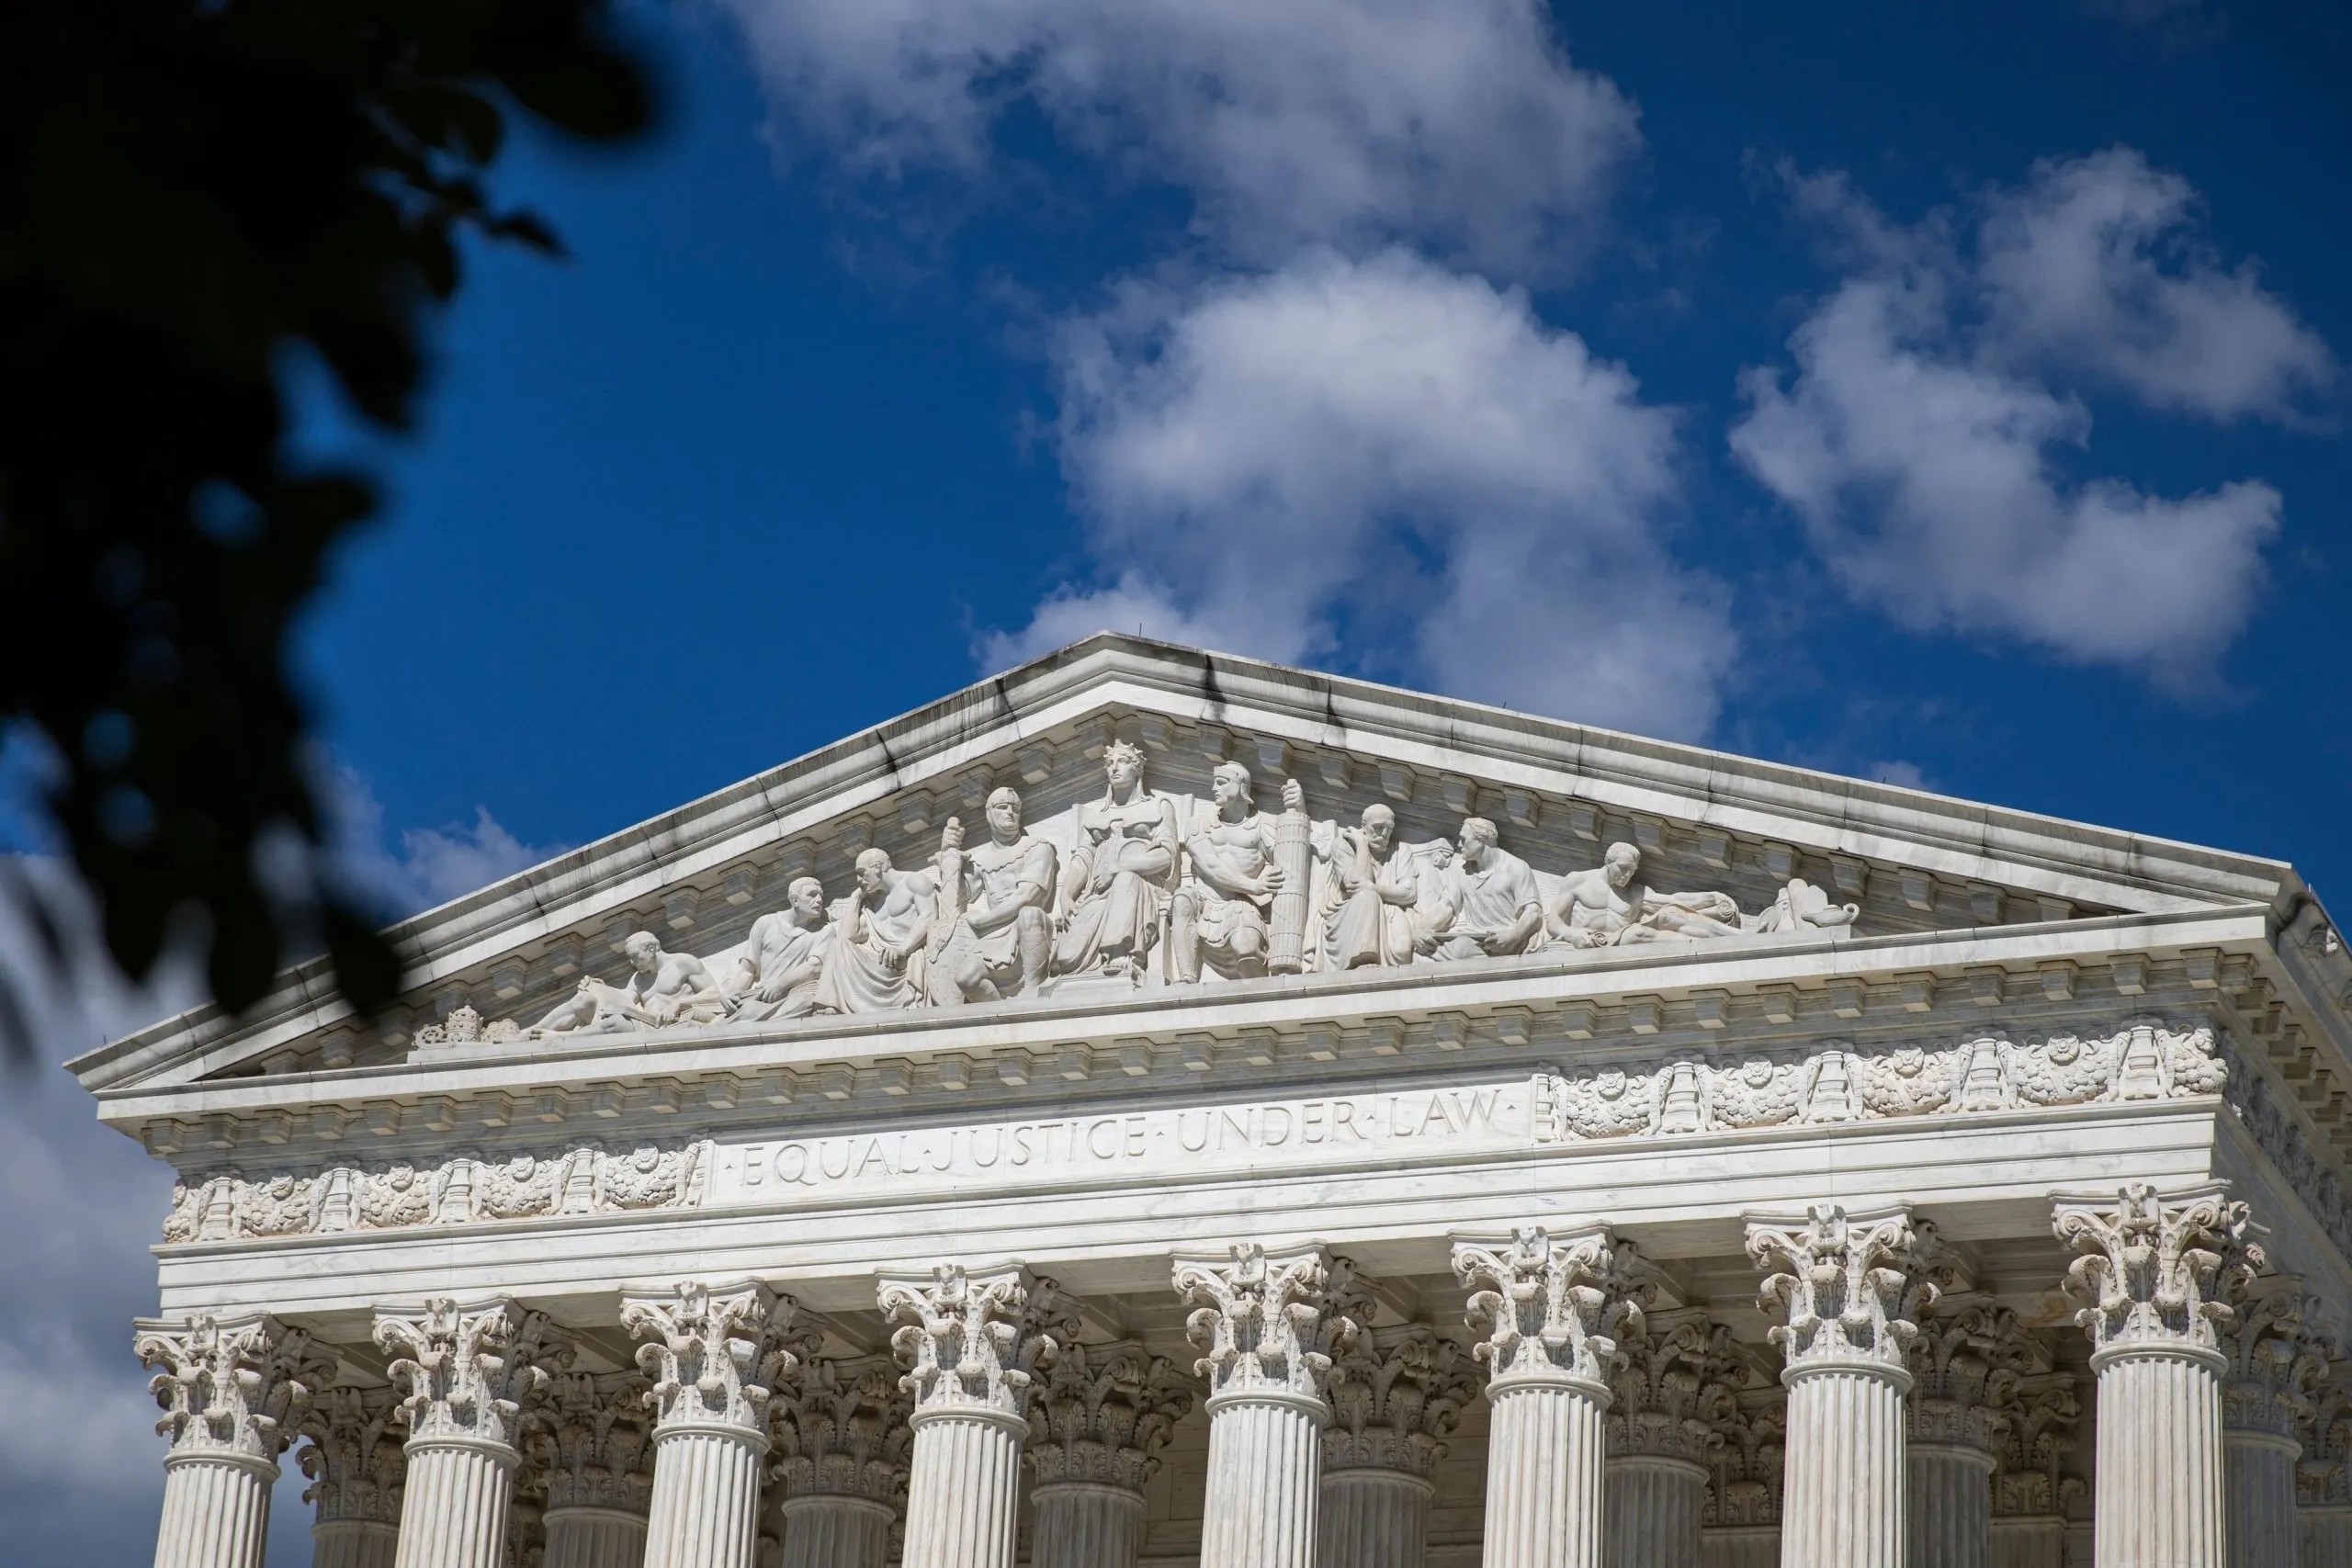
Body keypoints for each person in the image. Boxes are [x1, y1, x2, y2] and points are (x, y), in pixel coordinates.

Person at [1053, 739, 1178, 981]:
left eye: (1123, 761)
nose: (1114, 768)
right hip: (1097, 893)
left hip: (1142, 890)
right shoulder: (1096, 816)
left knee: (1126, 880)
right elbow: (1083, 858)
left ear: (1138, 768)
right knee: (1067, 959)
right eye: (1109, 763)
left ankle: (1121, 951)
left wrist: (1119, 867)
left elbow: (1166, 855)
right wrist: (1066, 895)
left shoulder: (1158, 806)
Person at [932, 789, 1057, 1001]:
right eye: (1002, 807)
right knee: (966, 979)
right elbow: (958, 898)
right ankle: (1004, 1016)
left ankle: (1033, 993)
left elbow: (1028, 895)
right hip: (994, 936)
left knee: (1030, 914)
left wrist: (983, 919)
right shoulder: (982, 859)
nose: (1010, 812)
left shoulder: (1037, 847)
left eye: (1015, 808)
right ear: (989, 814)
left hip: (1026, 929)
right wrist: (948, 854)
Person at [1170, 761, 1286, 983]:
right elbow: (1210, 866)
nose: (1214, 788)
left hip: (1240, 905)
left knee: (1248, 952)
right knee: (1182, 897)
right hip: (1203, 903)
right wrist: (1254, 886)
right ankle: (1187, 976)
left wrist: (1297, 811)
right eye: (1214, 783)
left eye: (1221, 783)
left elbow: (1288, 860)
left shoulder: (1262, 827)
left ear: (1241, 786)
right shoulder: (1199, 824)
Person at [1312, 801, 1457, 969]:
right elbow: (1356, 885)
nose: (1385, 834)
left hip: (1390, 909)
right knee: (1367, 897)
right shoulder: (1343, 845)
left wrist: (1374, 888)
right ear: (1364, 826)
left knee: (1403, 952)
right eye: (1379, 827)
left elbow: (1409, 892)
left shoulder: (1400, 850)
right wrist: (1361, 844)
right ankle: (1364, 958)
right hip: (1350, 913)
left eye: (1389, 828)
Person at [1546, 840, 1745, 947]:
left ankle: (1737, 938)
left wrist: (1712, 897)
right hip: (1591, 941)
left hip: (1618, 938)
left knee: (1671, 914)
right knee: (1639, 932)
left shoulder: (1635, 892)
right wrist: (1570, 934)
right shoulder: (1578, 880)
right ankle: (1700, 948)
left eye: (1632, 871)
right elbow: (1553, 920)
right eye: (1623, 868)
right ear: (1608, 861)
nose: (1627, 875)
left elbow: (1675, 900)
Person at [528, 931, 730, 1034]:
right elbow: (624, 1001)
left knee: (615, 1023)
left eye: (635, 957)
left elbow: (714, 994)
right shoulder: (639, 978)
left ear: (651, 949)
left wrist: (679, 1004)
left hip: (671, 1026)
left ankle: (560, 1039)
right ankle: (530, 1032)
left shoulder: (683, 963)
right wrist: (600, 989)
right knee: (585, 1000)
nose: (632, 963)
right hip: (646, 1024)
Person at [813, 847, 939, 1013]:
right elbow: (847, 936)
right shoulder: (874, 901)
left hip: (902, 961)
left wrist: (903, 948)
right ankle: (829, 1005)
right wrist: (856, 897)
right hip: (878, 960)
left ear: (878, 867)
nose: (858, 879)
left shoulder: (914, 881)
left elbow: (928, 916)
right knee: (837, 945)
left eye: (862, 872)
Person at [1428, 817, 1544, 961]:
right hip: (1474, 939)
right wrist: (1421, 930)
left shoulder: (1516, 867)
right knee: (1420, 955)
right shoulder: (1459, 870)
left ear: (1481, 840)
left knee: (1462, 949)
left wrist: (1514, 936)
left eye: (1464, 839)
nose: (1458, 844)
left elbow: (1533, 912)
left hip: (1509, 941)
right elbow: (1446, 907)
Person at [725, 874, 831, 1021]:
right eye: (812, 895)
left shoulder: (826, 930)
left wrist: (779, 984)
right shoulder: (765, 923)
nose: (819, 900)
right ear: (795, 900)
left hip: (795, 995)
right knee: (749, 1009)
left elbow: (814, 967)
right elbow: (747, 970)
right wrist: (729, 994)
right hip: (763, 997)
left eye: (821, 896)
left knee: (806, 1003)